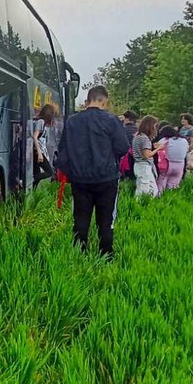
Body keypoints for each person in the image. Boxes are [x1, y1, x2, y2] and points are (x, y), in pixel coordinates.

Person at [55, 85, 130, 258]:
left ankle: (78, 254)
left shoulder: (72, 121)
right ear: (104, 101)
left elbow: (63, 152)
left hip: (80, 179)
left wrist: (72, 172)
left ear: (88, 100)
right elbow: (123, 147)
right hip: (107, 178)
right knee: (106, 220)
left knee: (80, 218)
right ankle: (106, 254)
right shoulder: (111, 120)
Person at [132, 115, 159, 198]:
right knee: (144, 189)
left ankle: (145, 203)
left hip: (138, 164)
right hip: (144, 165)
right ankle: (140, 203)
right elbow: (146, 155)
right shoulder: (144, 138)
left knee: (151, 188)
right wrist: (158, 149)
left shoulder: (138, 136)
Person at [156, 125, 188, 193]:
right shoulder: (184, 140)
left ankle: (159, 196)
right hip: (180, 165)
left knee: (161, 183)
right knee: (173, 185)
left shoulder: (165, 140)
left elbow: (157, 148)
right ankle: (171, 196)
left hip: (167, 164)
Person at [32, 104, 56, 185]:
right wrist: (39, 153)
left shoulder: (39, 121)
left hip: (35, 151)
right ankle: (31, 178)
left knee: (37, 172)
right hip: (37, 151)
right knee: (49, 172)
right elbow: (35, 136)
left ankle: (32, 187)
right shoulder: (41, 122)